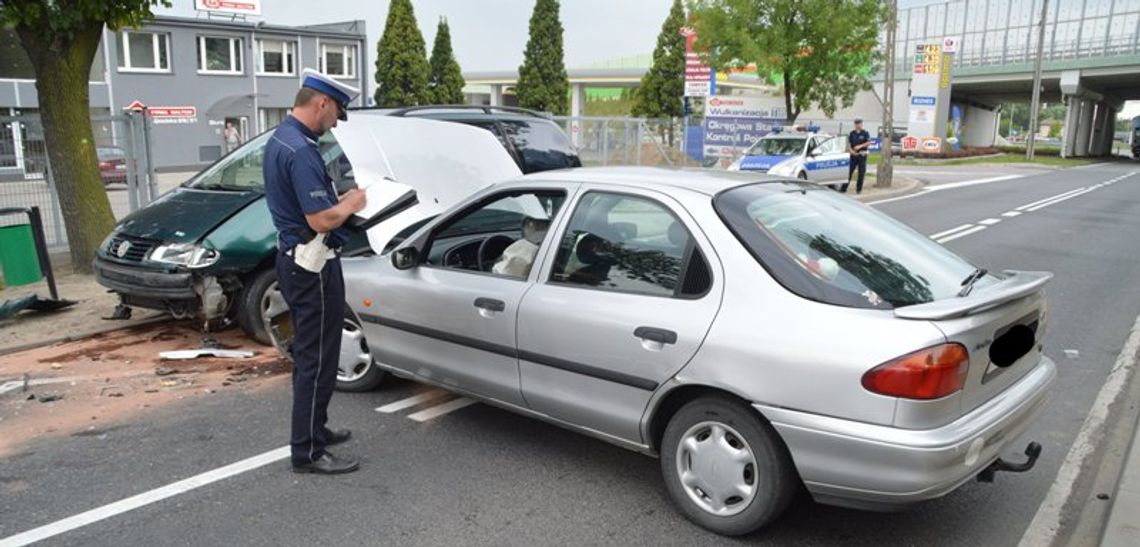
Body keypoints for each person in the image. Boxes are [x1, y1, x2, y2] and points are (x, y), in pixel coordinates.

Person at [264, 68, 366, 475]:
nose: (337, 121)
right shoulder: (302, 150)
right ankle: (307, 450)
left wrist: (336, 201)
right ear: (321, 102)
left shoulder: (284, 138)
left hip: (298, 259)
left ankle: (315, 430)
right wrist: (352, 204)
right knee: (317, 359)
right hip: (312, 264)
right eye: (337, 111)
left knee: (318, 355)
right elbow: (321, 219)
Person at [842, 118, 872, 194]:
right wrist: (851, 151)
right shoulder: (852, 133)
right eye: (856, 124)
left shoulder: (865, 133)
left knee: (861, 173)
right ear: (855, 125)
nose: (858, 125)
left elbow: (868, 142)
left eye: (859, 124)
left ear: (861, 124)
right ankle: (843, 189)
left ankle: (858, 189)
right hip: (853, 155)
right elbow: (849, 145)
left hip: (862, 154)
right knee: (849, 172)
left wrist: (860, 146)